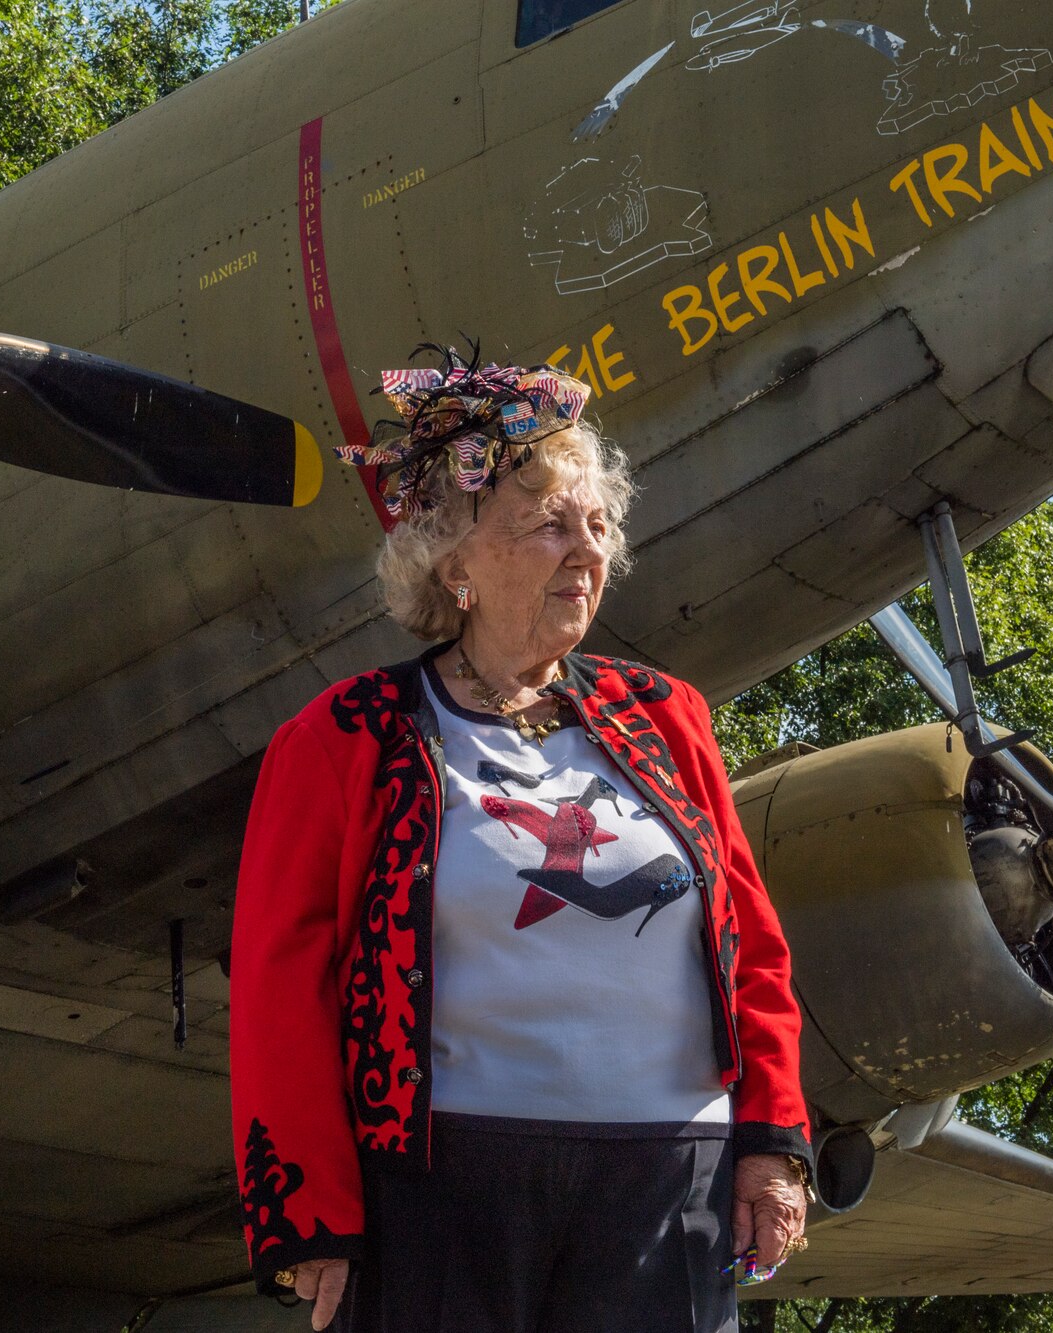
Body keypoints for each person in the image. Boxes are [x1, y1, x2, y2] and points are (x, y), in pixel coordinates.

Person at [229, 348, 810, 1333]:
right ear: (453, 563)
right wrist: (308, 1212)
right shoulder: (340, 736)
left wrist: (771, 1142)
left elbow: (750, 946)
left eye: (597, 523)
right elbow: (281, 985)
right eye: (548, 525)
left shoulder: (668, 717)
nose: (587, 550)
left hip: (671, 1183)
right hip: (444, 1188)